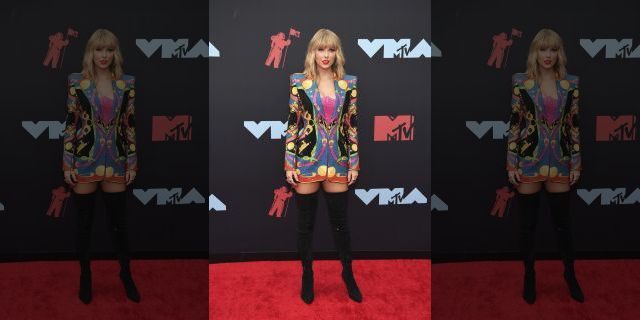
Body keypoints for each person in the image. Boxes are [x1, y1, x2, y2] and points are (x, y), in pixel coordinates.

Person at [284, 28, 362, 304]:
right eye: (320, 49)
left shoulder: (348, 84)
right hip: (306, 161)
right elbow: (293, 124)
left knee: (341, 224)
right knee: (305, 226)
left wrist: (354, 162)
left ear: (336, 52)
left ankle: (348, 274)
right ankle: (307, 275)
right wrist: (288, 163)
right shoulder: (298, 82)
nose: (325, 55)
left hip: (338, 161)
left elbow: (351, 125)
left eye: (330, 49)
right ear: (312, 52)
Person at [62, 28, 140, 304]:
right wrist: (67, 164)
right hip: (83, 162)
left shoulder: (127, 83)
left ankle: (126, 275)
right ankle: (85, 276)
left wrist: (131, 162)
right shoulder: (77, 82)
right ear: (90, 52)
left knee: (119, 226)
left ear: (114, 53)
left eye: (108, 50)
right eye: (98, 49)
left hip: (116, 162)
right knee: (84, 226)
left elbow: (129, 124)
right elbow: (71, 124)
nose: (103, 55)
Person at [507, 28, 584, 304]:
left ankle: (570, 274)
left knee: (563, 226)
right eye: (542, 49)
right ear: (534, 53)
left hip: (560, 162)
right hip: (528, 162)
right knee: (528, 227)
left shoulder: (571, 84)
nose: (548, 55)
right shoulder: (521, 83)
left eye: (553, 49)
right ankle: (529, 276)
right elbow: (515, 124)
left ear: (559, 53)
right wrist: (511, 163)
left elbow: (573, 125)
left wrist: (576, 162)